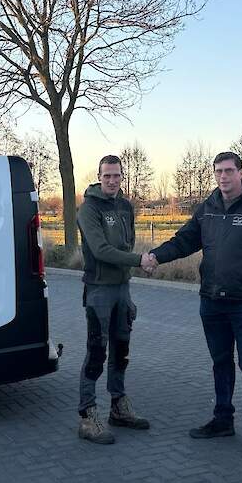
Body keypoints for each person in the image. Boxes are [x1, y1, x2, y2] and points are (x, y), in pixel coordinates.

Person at [143, 152, 242, 458]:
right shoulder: (207, 208)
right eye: (218, 172)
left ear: (240, 172)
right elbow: (184, 241)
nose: (223, 176)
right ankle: (223, 420)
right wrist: (156, 255)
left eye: (228, 171)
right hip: (212, 301)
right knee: (220, 364)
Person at [76, 155, 156, 444]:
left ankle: (118, 408)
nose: (112, 180)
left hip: (123, 288)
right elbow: (100, 249)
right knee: (97, 353)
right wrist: (139, 260)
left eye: (117, 176)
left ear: (123, 176)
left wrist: (131, 265)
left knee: (121, 351)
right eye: (107, 175)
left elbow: (126, 241)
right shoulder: (88, 208)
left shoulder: (125, 207)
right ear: (99, 176)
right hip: (99, 290)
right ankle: (87, 416)